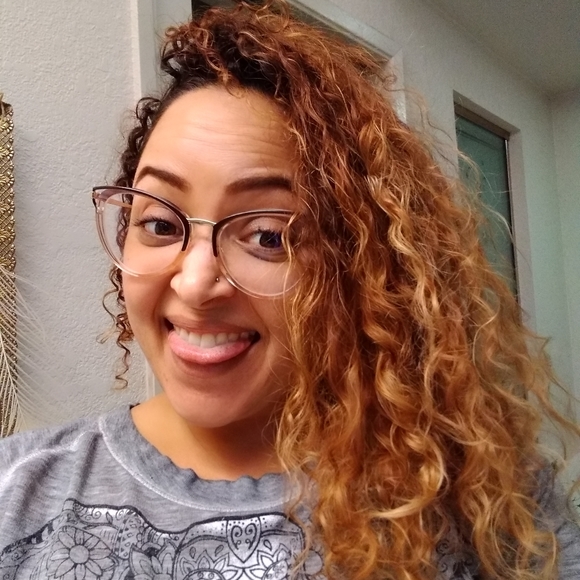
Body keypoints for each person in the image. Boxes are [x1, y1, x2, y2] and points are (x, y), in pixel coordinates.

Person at [1, 1, 579, 579]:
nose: (195, 283)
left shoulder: (492, 501)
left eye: (269, 236)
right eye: (160, 224)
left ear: (360, 263)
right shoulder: (18, 493)